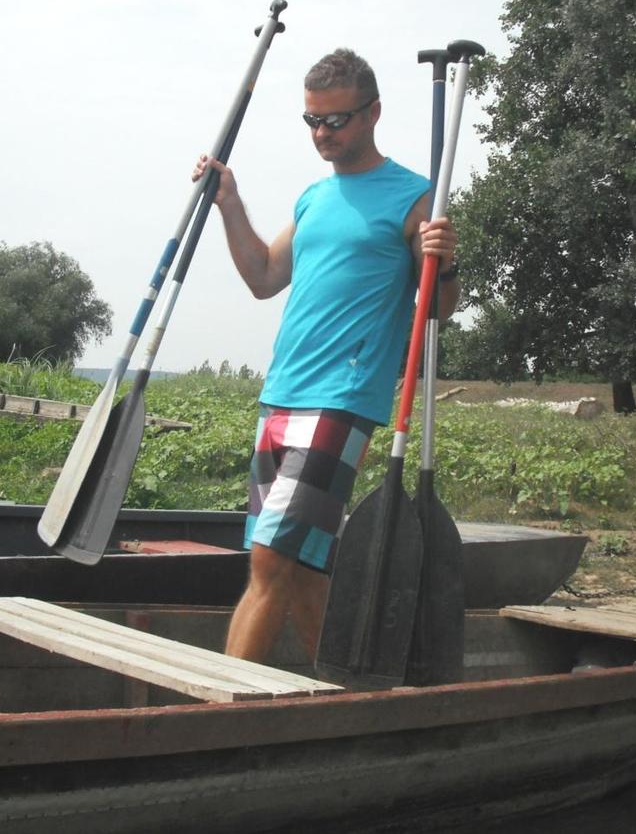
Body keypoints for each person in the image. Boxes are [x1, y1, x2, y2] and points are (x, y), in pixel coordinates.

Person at [193, 48, 460, 663]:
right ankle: (343, 689)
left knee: (269, 559)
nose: (321, 134)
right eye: (311, 120)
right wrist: (229, 202)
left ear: (372, 115)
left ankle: (215, 713)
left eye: (335, 121)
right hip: (281, 393)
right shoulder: (314, 197)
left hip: (342, 399)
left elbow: (439, 308)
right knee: (302, 570)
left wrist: (447, 262)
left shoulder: (416, 199)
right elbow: (263, 275)